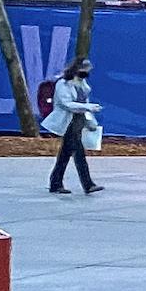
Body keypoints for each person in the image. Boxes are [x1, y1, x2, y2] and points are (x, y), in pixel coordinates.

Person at [43, 56, 105, 195]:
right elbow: (67, 104)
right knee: (79, 154)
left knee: (65, 155)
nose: (86, 73)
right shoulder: (63, 84)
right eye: (85, 70)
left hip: (78, 122)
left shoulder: (83, 85)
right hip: (68, 123)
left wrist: (90, 122)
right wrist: (88, 107)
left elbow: (84, 105)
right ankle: (87, 184)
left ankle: (55, 183)